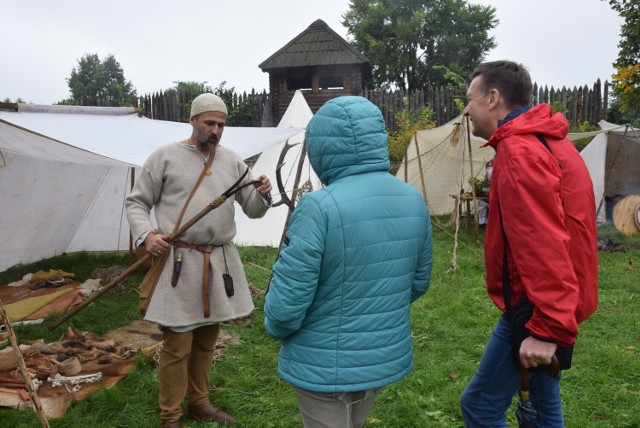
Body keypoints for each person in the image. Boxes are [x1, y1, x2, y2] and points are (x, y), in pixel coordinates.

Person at [264, 96, 433, 428]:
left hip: (322, 362)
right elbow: (418, 283)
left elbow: (284, 309)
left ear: (323, 147)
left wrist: (276, 328)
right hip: (380, 355)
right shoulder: (413, 199)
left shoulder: (319, 207)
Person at [459, 60, 598, 426]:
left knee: (480, 405)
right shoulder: (551, 141)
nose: (466, 109)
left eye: (469, 99)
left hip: (536, 309)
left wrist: (547, 328)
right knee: (538, 402)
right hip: (555, 302)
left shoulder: (521, 153)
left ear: (493, 98)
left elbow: (544, 243)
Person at [125, 93, 272, 428]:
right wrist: (147, 235)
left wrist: (263, 194)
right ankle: (171, 416)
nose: (216, 130)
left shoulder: (233, 161)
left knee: (207, 339)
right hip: (180, 263)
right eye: (210, 122)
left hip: (218, 263)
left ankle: (199, 402)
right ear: (192, 121)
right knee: (177, 343)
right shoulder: (165, 157)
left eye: (221, 124)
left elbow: (253, 208)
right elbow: (136, 203)